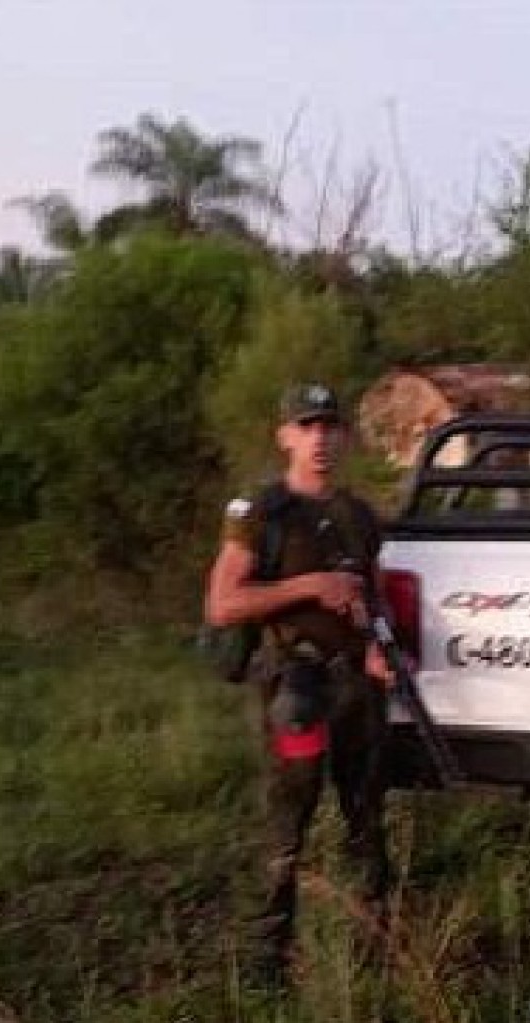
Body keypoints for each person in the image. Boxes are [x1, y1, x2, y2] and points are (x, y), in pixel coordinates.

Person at [204, 383, 393, 985]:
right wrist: (310, 586)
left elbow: (375, 594)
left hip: (356, 689)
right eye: (306, 427)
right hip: (296, 690)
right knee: (288, 823)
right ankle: (267, 963)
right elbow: (224, 604)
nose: (319, 439)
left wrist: (377, 648)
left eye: (329, 427)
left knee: (367, 817)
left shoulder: (359, 516)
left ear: (344, 437)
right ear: (285, 436)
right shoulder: (261, 513)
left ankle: (373, 958)